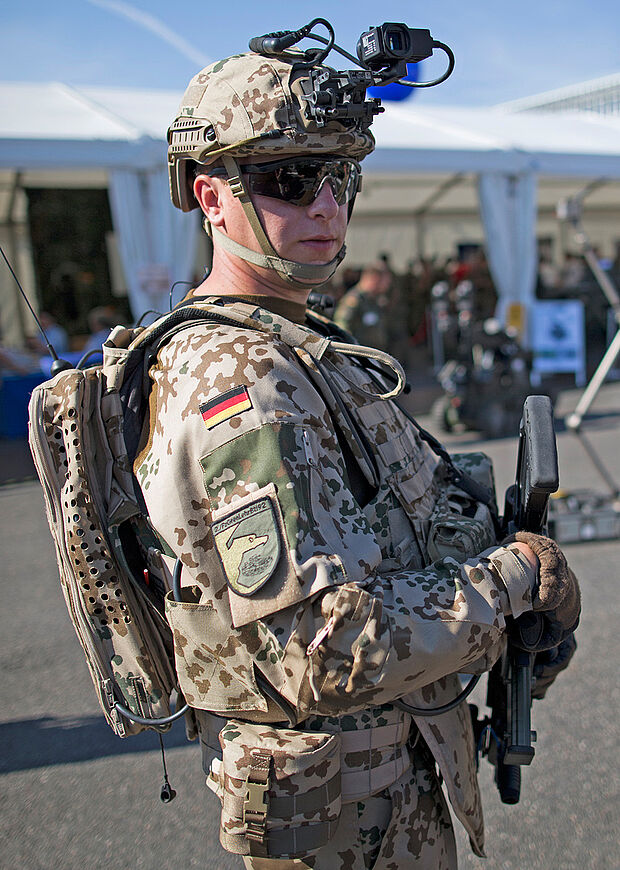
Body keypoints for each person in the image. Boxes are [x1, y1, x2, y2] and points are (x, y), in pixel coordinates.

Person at [134, 48, 580, 869]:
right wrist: (515, 578)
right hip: (343, 826)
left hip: (384, 791)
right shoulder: (240, 380)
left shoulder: (302, 348)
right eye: (291, 180)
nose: (325, 205)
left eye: (341, 178)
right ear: (210, 196)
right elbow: (325, 649)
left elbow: (406, 520)